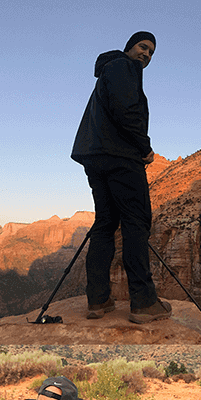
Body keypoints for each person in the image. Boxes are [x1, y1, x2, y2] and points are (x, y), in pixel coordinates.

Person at [71, 31, 172, 322]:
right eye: (143, 47)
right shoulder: (122, 67)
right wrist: (145, 148)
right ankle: (143, 302)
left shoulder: (108, 70)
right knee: (136, 223)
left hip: (96, 157)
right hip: (121, 158)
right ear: (130, 47)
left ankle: (98, 301)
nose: (147, 55)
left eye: (151, 52)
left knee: (105, 223)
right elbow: (126, 110)